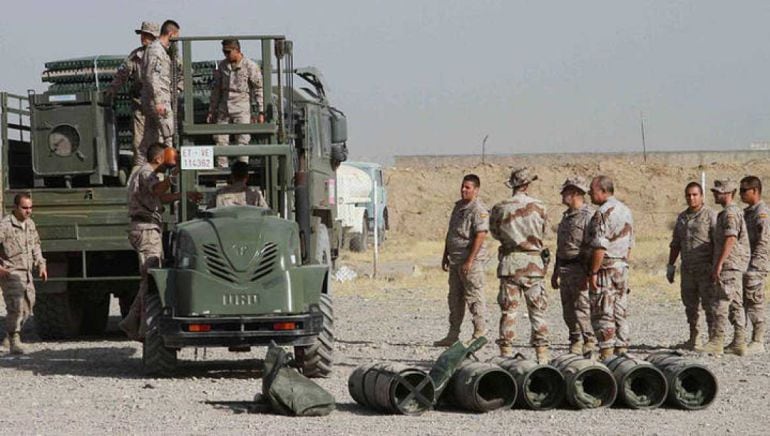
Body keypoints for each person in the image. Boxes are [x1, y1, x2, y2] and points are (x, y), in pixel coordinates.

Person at [119, 143, 200, 340]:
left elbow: (159, 198)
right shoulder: (147, 171)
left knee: (149, 279)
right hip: (146, 229)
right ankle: (141, 328)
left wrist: (183, 196)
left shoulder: (146, 173)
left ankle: (131, 322)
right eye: (167, 156)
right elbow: (156, 190)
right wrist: (176, 174)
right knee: (151, 279)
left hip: (148, 228)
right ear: (158, 158)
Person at [489, 168, 550, 362]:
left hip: (510, 264)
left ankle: (506, 354)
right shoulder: (540, 207)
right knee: (537, 311)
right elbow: (544, 231)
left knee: (509, 311)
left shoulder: (500, 208)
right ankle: (542, 355)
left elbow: (494, 232)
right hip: (534, 264)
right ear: (526, 184)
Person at [434, 174, 489, 347]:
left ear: (476, 190)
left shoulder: (477, 209)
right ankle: (453, 334)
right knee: (455, 299)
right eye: (463, 187)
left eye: (468, 187)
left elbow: (480, 235)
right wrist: (446, 254)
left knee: (474, 297)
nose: (464, 190)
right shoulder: (459, 207)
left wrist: (470, 260)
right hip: (455, 260)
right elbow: (451, 232)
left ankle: (479, 333)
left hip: (470, 262)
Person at [586, 175, 634, 360]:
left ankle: (606, 353)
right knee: (620, 310)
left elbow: (599, 245)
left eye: (593, 190)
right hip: (621, 266)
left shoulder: (603, 213)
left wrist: (594, 272)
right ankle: (622, 349)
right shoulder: (626, 210)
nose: (590, 193)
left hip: (606, 268)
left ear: (603, 191)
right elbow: (629, 243)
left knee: (604, 310)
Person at [700, 179, 750, 356]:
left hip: (730, 264)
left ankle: (717, 341)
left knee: (720, 301)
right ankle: (739, 342)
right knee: (736, 303)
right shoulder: (728, 212)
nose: (714, 194)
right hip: (734, 264)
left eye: (718, 192)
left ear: (728, 193)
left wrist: (719, 264)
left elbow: (731, 238)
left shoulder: (730, 213)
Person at [666, 182, 717, 350]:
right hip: (687, 269)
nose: (691, 198)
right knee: (690, 306)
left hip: (705, 268)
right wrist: (671, 266)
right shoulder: (681, 218)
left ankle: (713, 339)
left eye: (695, 194)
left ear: (701, 196)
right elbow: (675, 244)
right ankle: (694, 338)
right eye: (688, 195)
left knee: (710, 305)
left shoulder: (710, 215)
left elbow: (718, 242)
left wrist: (717, 266)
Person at [105, 21, 160, 168]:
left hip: (159, 106)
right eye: (142, 34)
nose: (143, 38)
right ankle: (139, 173)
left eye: (147, 35)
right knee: (138, 142)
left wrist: (177, 90)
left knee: (159, 141)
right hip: (140, 105)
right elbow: (121, 74)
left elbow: (180, 74)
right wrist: (112, 90)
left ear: (154, 37)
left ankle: (161, 172)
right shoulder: (135, 56)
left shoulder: (164, 55)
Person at [551, 176, 596, 354]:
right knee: (568, 310)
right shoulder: (566, 217)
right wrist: (555, 272)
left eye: (566, 192)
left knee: (582, 307)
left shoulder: (589, 216)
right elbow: (560, 246)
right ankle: (575, 338)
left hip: (580, 268)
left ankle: (589, 340)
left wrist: (589, 273)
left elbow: (593, 247)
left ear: (576, 193)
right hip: (565, 268)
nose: (562, 195)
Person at [0, 193, 47, 354]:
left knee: (28, 305)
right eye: (25, 208)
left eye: (30, 208)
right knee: (16, 306)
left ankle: (9, 337)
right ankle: (15, 340)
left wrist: (41, 264)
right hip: (11, 272)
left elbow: (36, 246)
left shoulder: (30, 224)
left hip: (27, 272)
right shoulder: (5, 225)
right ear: (15, 207)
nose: (28, 211)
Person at [207, 39, 265, 168]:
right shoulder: (222, 66)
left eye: (228, 52)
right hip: (224, 106)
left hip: (241, 106)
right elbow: (216, 90)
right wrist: (212, 110)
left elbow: (259, 88)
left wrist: (261, 111)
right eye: (224, 52)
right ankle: (222, 173)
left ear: (237, 50)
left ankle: (241, 173)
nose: (225, 55)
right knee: (220, 141)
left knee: (242, 142)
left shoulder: (250, 66)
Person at [138, 19, 180, 165]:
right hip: (159, 100)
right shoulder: (156, 50)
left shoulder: (160, 50)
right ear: (170, 34)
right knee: (168, 135)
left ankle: (154, 169)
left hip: (156, 99)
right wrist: (159, 101)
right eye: (175, 37)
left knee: (154, 139)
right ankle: (171, 168)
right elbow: (152, 77)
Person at [739, 176, 768, 354]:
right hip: (745, 263)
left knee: (755, 300)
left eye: (744, 191)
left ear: (755, 191)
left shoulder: (762, 213)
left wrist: (755, 266)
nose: (741, 194)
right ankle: (741, 340)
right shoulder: (748, 212)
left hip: (756, 265)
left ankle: (758, 340)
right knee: (743, 301)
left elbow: (764, 242)